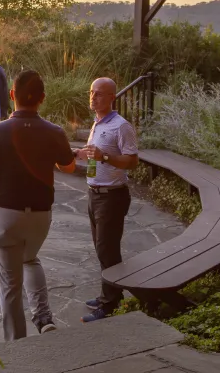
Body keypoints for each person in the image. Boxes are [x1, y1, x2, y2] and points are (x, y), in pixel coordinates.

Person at [0, 70, 76, 340]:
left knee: (10, 285)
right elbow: (68, 166)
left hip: (6, 217)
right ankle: (43, 318)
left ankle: (17, 347)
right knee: (29, 258)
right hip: (41, 217)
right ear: (42, 98)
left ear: (11, 95)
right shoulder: (54, 132)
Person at [77, 77, 139, 323]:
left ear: (112, 97)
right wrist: (81, 154)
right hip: (95, 193)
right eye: (92, 92)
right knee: (102, 249)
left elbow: (132, 161)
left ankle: (110, 303)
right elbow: (95, 155)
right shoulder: (98, 123)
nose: (93, 97)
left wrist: (105, 158)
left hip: (112, 196)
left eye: (99, 94)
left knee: (107, 249)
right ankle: (111, 292)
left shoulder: (121, 126)